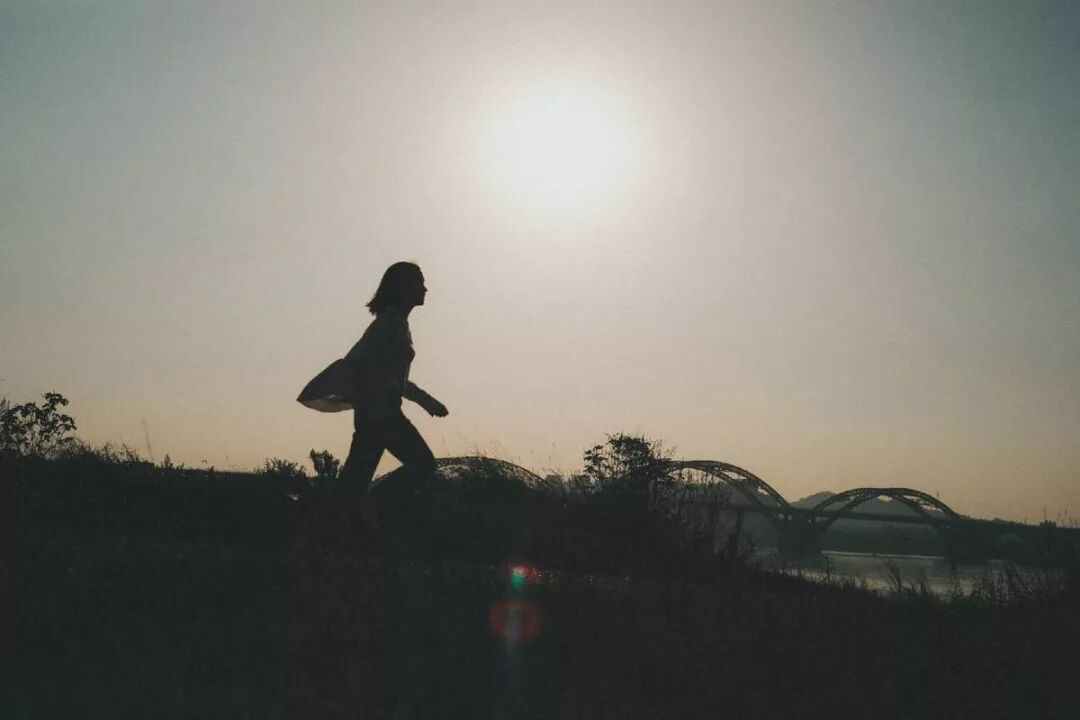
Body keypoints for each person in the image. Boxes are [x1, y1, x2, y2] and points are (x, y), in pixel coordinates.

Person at [333, 261, 449, 505]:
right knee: (422, 464)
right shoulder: (390, 324)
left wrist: (427, 401)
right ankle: (368, 511)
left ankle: (339, 518)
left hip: (375, 413)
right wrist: (381, 408)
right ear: (403, 287)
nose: (425, 289)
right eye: (419, 283)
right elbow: (368, 370)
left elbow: (393, 378)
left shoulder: (395, 323)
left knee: (350, 489)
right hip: (382, 414)